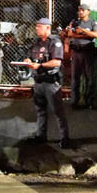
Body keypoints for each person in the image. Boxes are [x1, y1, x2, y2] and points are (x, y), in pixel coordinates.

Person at [23, 17, 72, 149]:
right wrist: (28, 61)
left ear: (47, 28)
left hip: (51, 83)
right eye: (37, 26)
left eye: (40, 26)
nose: (36, 28)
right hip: (38, 82)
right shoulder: (37, 42)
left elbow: (56, 62)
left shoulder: (54, 42)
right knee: (40, 111)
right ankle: (41, 136)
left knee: (58, 112)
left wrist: (39, 66)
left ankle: (65, 139)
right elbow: (31, 57)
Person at [65, 3, 97, 108]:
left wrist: (83, 31)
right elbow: (70, 34)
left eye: (83, 10)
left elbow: (95, 35)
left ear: (88, 11)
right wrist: (85, 35)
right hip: (76, 53)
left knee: (90, 78)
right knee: (75, 78)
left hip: (88, 53)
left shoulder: (93, 23)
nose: (80, 12)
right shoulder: (74, 22)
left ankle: (90, 102)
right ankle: (74, 102)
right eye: (79, 10)